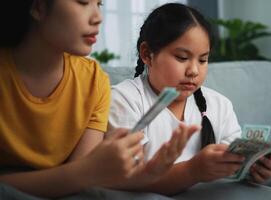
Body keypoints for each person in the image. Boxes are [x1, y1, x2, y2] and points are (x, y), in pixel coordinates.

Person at [0, 0, 198, 198]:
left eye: (99, 4)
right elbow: (82, 174)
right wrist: (87, 172)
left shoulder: (94, 82)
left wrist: (149, 173)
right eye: (83, 2)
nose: (98, 17)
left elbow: (81, 177)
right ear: (38, 7)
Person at [108, 3, 271, 195]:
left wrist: (252, 169)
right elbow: (127, 180)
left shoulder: (219, 105)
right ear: (147, 54)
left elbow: (232, 169)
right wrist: (192, 171)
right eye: (182, 57)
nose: (193, 71)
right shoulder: (124, 100)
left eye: (202, 60)